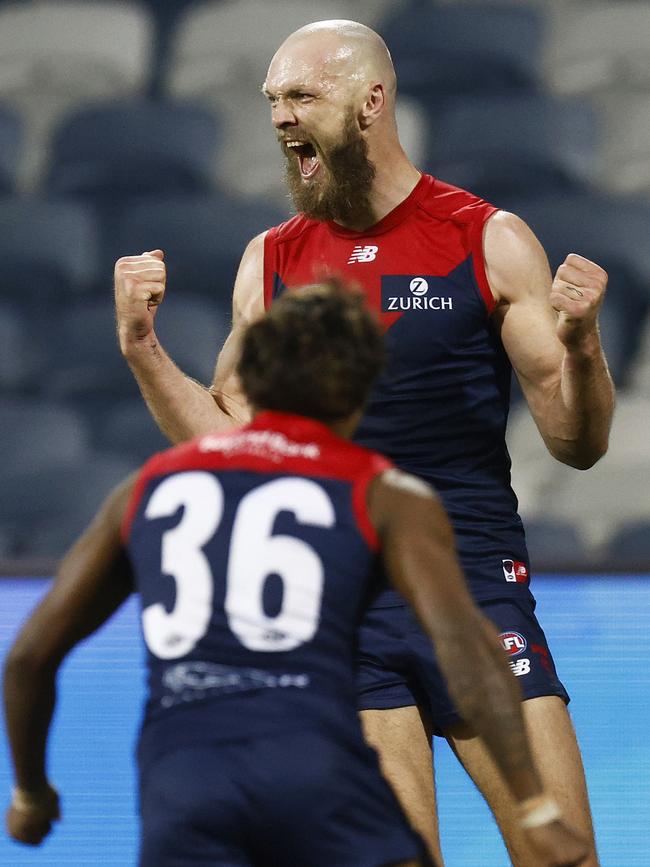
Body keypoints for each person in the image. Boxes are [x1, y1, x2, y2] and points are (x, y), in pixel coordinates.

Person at [113, 20, 614, 867]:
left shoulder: (484, 238)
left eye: (301, 95)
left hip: (472, 592)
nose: (280, 116)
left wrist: (582, 345)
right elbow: (234, 441)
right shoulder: (271, 258)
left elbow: (575, 443)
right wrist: (143, 349)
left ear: (371, 101)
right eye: (272, 99)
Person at [5, 283, 587, 867]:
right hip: (317, 768)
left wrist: (31, 792)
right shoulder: (379, 491)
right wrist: (534, 805)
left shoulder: (147, 489)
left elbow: (29, 658)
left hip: (183, 784)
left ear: (250, 380)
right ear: (360, 390)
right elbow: (467, 649)